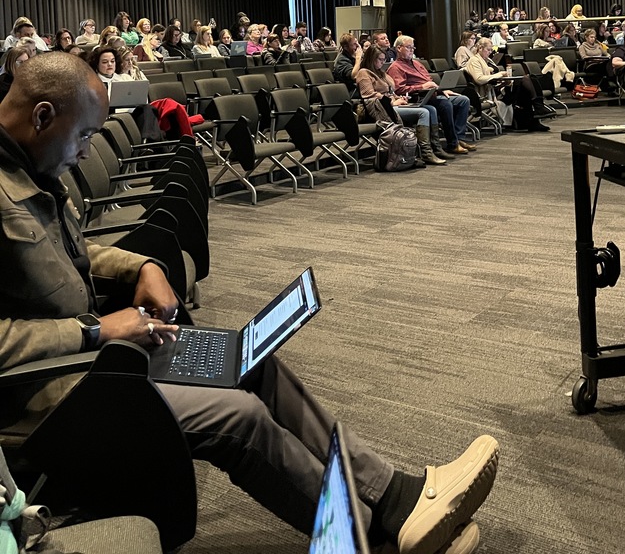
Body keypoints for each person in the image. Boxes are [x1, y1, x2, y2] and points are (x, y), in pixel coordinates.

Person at [0, 53, 498, 551]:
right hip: (45, 401)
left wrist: (143, 266)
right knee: (238, 415)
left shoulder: (31, 168)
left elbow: (72, 252)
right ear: (43, 117)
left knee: (252, 362)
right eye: (85, 135)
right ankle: (368, 541)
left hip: (97, 362)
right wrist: (97, 329)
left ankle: (393, 498)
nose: (87, 151)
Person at [354, 45, 444, 166]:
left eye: (384, 59)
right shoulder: (364, 73)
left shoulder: (380, 73)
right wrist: (392, 102)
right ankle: (426, 152)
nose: (383, 62)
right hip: (381, 109)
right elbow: (369, 95)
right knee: (424, 112)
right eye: (380, 59)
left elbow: (391, 92)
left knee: (431, 109)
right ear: (371, 59)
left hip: (390, 105)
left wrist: (398, 98)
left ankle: (435, 147)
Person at [389, 36, 476, 156]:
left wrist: (441, 90)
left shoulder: (417, 64)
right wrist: (422, 87)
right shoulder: (395, 67)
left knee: (463, 100)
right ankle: (453, 143)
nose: (412, 50)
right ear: (399, 48)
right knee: (445, 103)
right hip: (417, 97)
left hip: (432, 93)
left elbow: (429, 81)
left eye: (413, 47)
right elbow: (399, 90)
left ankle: (459, 138)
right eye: (409, 47)